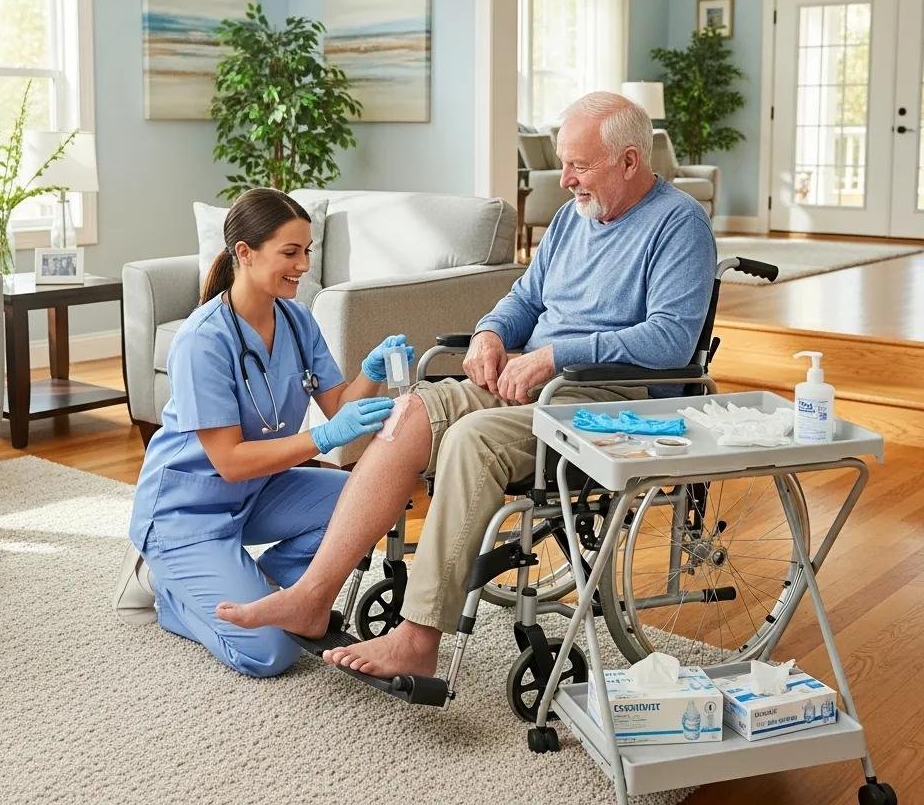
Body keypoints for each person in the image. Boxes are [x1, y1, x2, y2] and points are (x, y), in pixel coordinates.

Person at [214, 92, 717, 681]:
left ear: (629, 161)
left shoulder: (679, 224)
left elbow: (669, 342)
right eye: (564, 163)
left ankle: (419, 634)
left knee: (472, 439)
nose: (567, 179)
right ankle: (312, 594)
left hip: (609, 399)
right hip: (537, 382)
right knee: (410, 411)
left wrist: (555, 356)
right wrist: (489, 332)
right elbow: (525, 300)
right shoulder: (570, 221)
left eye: (580, 165)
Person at [126, 188, 411, 678]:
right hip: (186, 511)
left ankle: (268, 592)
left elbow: (338, 405)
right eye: (290, 252)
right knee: (270, 651)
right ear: (244, 252)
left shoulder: (297, 320)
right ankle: (171, 593)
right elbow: (230, 462)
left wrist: (372, 371)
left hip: (258, 493)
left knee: (373, 496)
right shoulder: (202, 340)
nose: (303, 265)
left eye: (307, 252)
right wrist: (322, 440)